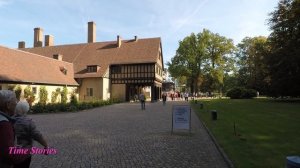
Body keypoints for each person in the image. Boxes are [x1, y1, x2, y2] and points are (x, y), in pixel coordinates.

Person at [13, 101, 48, 168]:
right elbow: (37, 135)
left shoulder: (11, 120)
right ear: (26, 110)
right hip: (24, 153)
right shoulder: (28, 123)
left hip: (11, 151)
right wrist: (45, 145)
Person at [0, 90, 29, 168]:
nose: (16, 103)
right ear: (8, 105)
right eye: (15, 101)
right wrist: (26, 152)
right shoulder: (4, 124)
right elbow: (9, 155)